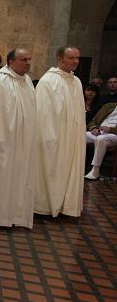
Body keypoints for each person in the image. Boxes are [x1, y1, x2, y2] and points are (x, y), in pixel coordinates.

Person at [0, 48, 37, 228]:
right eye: (23, 60)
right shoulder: (0, 80)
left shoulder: (27, 81)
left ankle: (15, 214)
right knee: (0, 176)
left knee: (20, 177)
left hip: (22, 141)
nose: (27, 63)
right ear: (11, 62)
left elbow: (31, 110)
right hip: (2, 141)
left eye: (29, 59)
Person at [34, 46, 85, 217]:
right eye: (71, 58)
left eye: (77, 58)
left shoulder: (76, 81)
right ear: (59, 58)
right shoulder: (48, 81)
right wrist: (48, 136)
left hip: (72, 136)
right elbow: (42, 112)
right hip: (54, 136)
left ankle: (66, 205)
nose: (75, 61)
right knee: (51, 168)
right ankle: (46, 205)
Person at [84, 102, 117, 180]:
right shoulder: (109, 106)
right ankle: (74, 166)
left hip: (114, 135)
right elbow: (93, 120)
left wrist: (110, 129)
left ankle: (95, 171)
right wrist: (93, 128)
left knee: (101, 139)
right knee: (80, 136)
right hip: (99, 131)